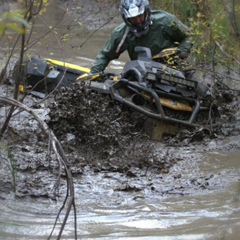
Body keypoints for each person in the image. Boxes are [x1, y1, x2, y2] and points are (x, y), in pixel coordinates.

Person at [90, 0, 192, 74]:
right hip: (142, 73)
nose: (138, 21)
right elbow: (105, 55)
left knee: (199, 88)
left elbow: (189, 36)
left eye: (140, 16)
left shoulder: (165, 21)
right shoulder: (120, 34)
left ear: (146, 12)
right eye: (133, 19)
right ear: (126, 19)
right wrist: (94, 74)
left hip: (174, 68)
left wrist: (181, 53)